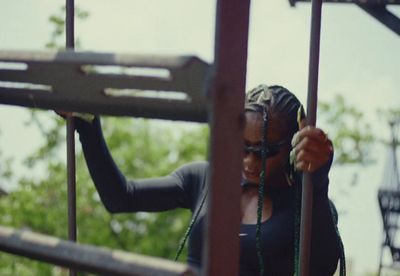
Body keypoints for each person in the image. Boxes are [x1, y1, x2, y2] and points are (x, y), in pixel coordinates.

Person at [71, 84, 343, 275]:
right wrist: (86, 124)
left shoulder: (307, 203)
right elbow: (120, 197)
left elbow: (321, 266)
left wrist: (317, 179)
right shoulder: (204, 179)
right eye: (243, 146)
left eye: (265, 151)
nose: (249, 161)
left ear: (293, 145)